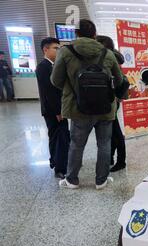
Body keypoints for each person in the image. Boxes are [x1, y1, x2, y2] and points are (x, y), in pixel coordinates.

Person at [51, 19, 124, 190]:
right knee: (104, 143)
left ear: (76, 33)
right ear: (94, 34)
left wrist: (73, 89)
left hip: (78, 108)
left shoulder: (65, 52)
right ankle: (101, 180)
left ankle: (72, 180)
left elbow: (55, 80)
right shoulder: (107, 53)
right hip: (105, 108)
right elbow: (119, 80)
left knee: (76, 144)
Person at [35, 37, 70, 179]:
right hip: (53, 110)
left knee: (58, 136)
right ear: (45, 49)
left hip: (57, 108)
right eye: (56, 48)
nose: (58, 50)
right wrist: (58, 111)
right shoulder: (44, 66)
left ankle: (57, 162)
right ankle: (60, 168)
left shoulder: (52, 65)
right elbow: (49, 91)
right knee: (59, 137)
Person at [96, 35, 127, 172]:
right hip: (110, 99)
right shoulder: (112, 56)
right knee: (112, 132)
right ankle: (111, 158)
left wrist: (119, 95)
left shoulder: (109, 58)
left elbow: (121, 79)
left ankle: (121, 161)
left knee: (115, 132)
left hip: (111, 99)